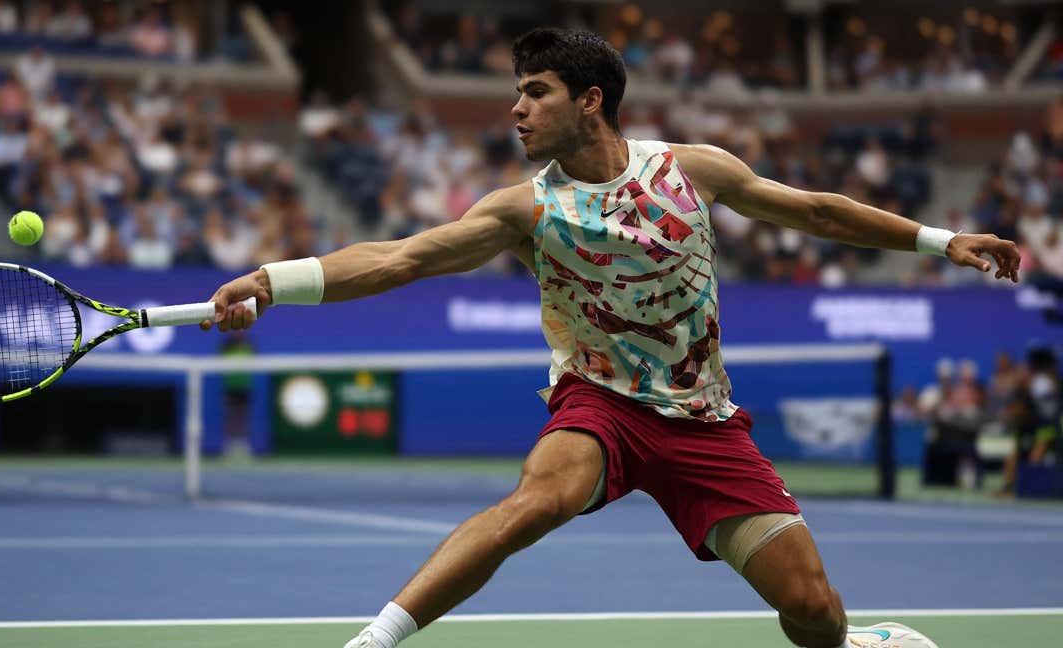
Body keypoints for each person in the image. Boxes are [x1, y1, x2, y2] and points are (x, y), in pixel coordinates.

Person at [201, 28, 1020, 648]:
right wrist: (274, 281)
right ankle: (373, 640)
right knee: (534, 504)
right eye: (517, 93)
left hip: (703, 421)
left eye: (536, 92)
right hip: (601, 404)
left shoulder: (690, 171)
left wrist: (939, 240)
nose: (516, 110)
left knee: (812, 609)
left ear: (590, 100)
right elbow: (397, 259)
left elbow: (812, 210)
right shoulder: (524, 208)